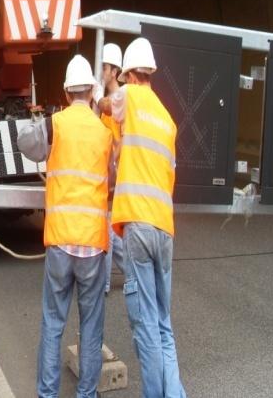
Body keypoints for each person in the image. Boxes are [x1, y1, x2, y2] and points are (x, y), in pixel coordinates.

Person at [17, 55, 112, 398]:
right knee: (90, 329)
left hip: (60, 242)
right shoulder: (104, 134)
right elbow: (111, 178)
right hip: (92, 245)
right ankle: (86, 394)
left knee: (53, 324)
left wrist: (44, 122)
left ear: (66, 91)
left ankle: (47, 394)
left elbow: (24, 143)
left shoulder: (56, 125)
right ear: (91, 89)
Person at [104, 37, 187, 397]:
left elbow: (108, 104)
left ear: (129, 75)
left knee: (146, 327)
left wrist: (97, 100)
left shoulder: (129, 96)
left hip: (136, 224)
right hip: (164, 228)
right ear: (150, 72)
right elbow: (170, 177)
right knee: (163, 325)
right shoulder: (168, 121)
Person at [93, 43, 125, 294]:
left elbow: (117, 144)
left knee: (107, 230)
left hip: (114, 177)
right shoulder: (107, 105)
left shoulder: (120, 99)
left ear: (114, 71)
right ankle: (134, 274)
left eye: (104, 68)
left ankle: (101, 283)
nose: (101, 72)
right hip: (108, 175)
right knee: (112, 232)